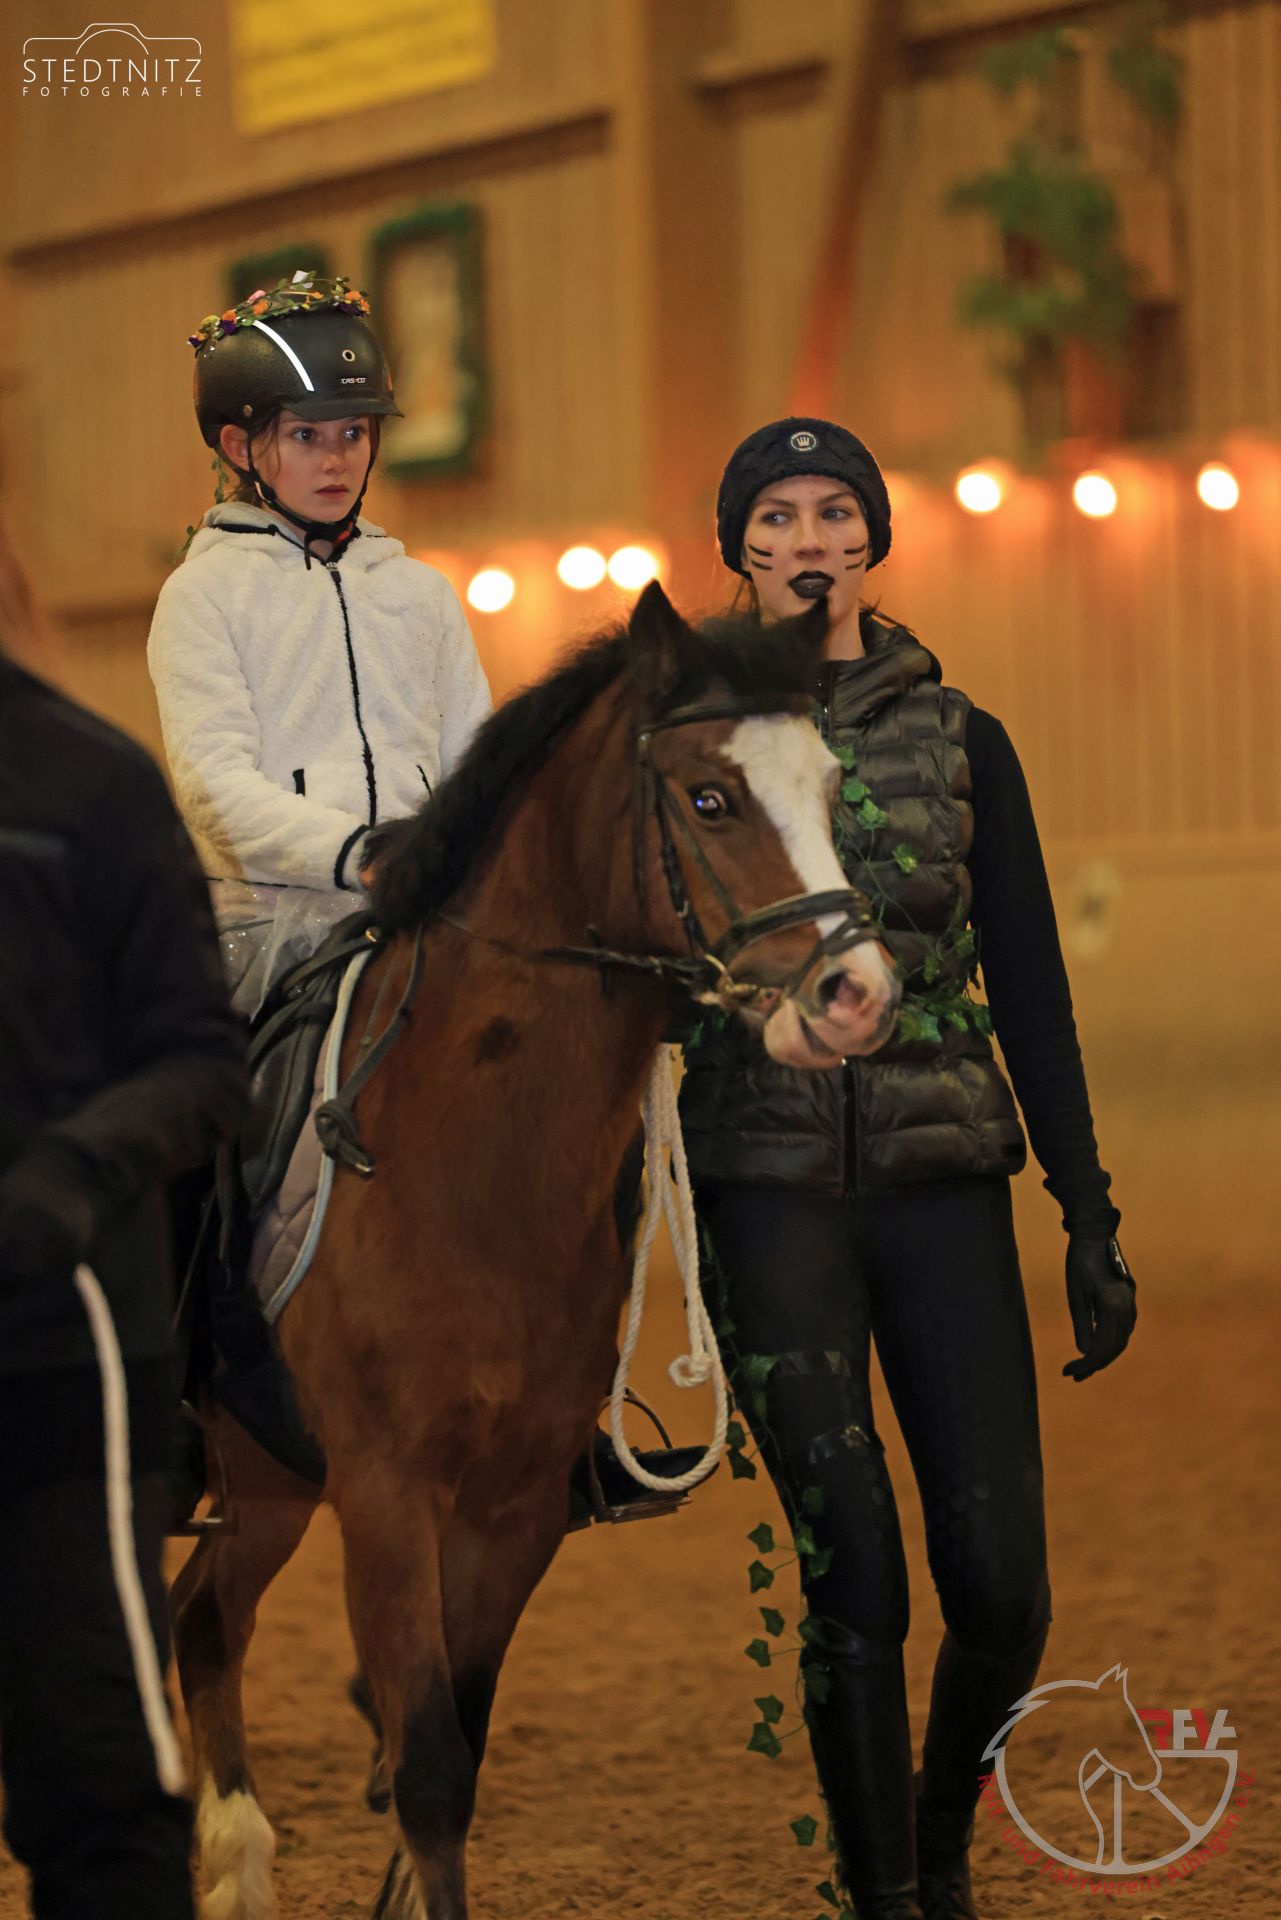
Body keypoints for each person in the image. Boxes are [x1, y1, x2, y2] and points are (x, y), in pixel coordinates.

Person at [680, 419, 1138, 1920]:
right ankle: (889, 1898)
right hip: (769, 1189)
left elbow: (1031, 984)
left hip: (944, 1179)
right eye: (776, 517)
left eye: (835, 513)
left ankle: (940, 1845)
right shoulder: (688, 741)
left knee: (1003, 1588)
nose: (808, 540)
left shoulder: (960, 739)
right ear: (739, 550)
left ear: (872, 542)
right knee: (855, 1581)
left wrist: (1085, 1208)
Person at [0, 529, 248, 1918]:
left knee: (91, 1764)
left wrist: (71, 1171)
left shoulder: (87, 782)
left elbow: (202, 1058)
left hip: (57, 1349)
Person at [148, 269, 493, 1015]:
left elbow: (476, 759)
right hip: (270, 931)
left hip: (423, 918)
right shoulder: (203, 594)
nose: (336, 461)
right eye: (305, 436)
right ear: (239, 445)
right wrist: (358, 855)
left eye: (353, 434)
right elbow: (214, 786)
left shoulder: (422, 593)